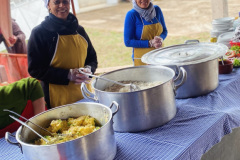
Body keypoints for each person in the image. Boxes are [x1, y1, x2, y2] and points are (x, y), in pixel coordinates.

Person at [27, 0, 98, 108]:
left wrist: (89, 69)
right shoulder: (40, 33)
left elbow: (92, 57)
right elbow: (35, 69)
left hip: (84, 94)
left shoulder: (79, 30)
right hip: (57, 99)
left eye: (65, 1)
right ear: (48, 5)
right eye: (57, 2)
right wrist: (68, 75)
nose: (62, 5)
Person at [124, 0, 168, 66]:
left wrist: (160, 38)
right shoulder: (132, 15)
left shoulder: (157, 10)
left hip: (159, 55)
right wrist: (150, 43)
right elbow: (128, 42)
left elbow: (164, 31)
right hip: (142, 59)